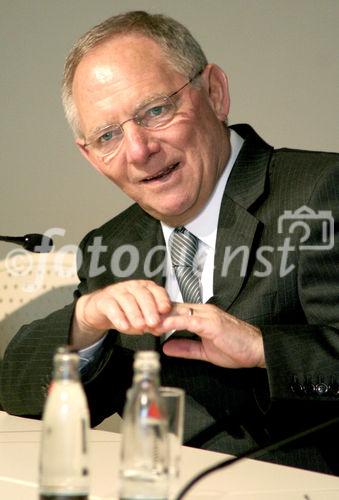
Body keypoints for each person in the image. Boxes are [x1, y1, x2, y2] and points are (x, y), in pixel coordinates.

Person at [0, 11, 338, 475]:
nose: (139, 150)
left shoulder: (322, 191)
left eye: (155, 110)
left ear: (215, 92)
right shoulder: (112, 244)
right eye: (108, 135)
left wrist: (261, 348)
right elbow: (19, 396)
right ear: (92, 157)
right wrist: (84, 323)